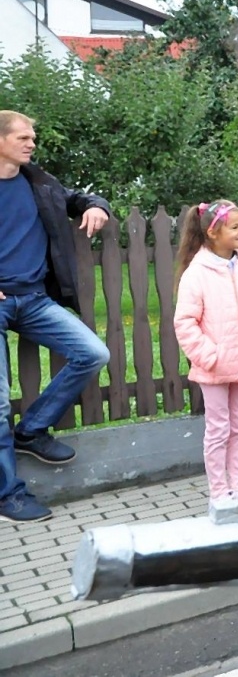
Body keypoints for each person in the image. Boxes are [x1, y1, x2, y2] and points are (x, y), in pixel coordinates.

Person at [0, 111, 112, 523]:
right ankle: (8, 495)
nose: (32, 143)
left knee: (93, 353)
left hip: (32, 299)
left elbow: (77, 197)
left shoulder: (38, 183)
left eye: (33, 137)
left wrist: (96, 205)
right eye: (23, 137)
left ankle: (31, 431)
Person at [173, 200, 238, 522]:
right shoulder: (197, 273)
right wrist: (211, 357)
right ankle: (219, 494)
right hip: (214, 370)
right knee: (218, 431)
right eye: (235, 227)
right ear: (212, 232)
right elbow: (185, 322)